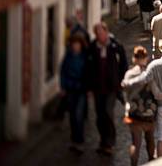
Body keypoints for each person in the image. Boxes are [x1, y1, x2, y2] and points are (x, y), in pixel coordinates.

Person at [87, 22, 128, 155]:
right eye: (97, 34)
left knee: (108, 113)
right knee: (99, 115)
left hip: (112, 87)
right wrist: (89, 86)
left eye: (101, 32)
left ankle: (110, 142)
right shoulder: (93, 47)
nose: (100, 36)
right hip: (98, 87)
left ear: (106, 31)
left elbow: (124, 64)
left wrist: (121, 80)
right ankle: (103, 140)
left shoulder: (115, 46)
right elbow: (88, 67)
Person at [122, 46, 156, 166]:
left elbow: (125, 93)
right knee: (150, 140)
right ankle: (151, 161)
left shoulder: (129, 74)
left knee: (135, 143)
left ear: (134, 58)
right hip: (148, 112)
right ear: (146, 58)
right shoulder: (150, 73)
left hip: (134, 113)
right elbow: (155, 92)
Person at [59, 33, 89, 152]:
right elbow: (62, 71)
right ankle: (74, 140)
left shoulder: (85, 56)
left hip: (81, 89)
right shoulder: (68, 57)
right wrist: (62, 86)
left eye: (77, 44)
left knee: (78, 115)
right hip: (70, 89)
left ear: (81, 45)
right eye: (74, 44)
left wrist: (88, 88)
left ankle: (80, 141)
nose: (76, 46)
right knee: (72, 116)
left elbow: (88, 72)